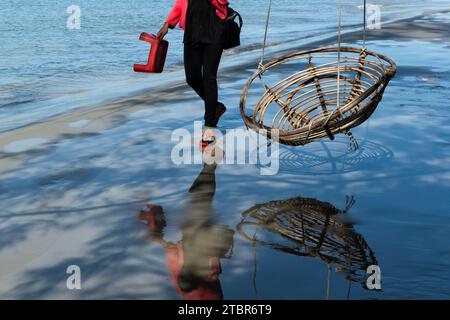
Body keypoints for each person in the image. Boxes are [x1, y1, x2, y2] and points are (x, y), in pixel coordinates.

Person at [157, 0, 229, 148]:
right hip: (192, 30)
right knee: (192, 78)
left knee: (209, 77)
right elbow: (180, 3)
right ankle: (215, 107)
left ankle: (209, 129)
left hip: (214, 28)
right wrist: (168, 24)